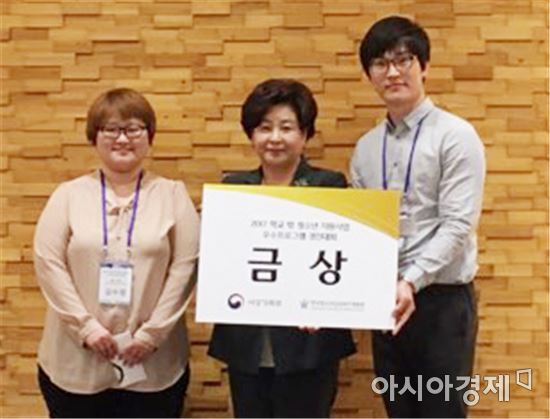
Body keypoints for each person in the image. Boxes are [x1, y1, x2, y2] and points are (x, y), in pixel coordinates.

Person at [33, 88, 200, 418]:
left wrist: (152, 335)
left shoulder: (173, 195)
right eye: (111, 129)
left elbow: (186, 270)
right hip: (76, 361)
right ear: (94, 137)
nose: (122, 138)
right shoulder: (67, 195)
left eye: (134, 128)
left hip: (154, 363)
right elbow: (49, 265)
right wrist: (87, 329)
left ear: (149, 136)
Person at [350, 16, 485, 418]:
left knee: (442, 411)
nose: (392, 72)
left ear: (424, 66)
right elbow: (361, 230)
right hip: (385, 300)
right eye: (380, 63)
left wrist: (411, 280)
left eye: (403, 60)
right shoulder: (365, 148)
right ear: (369, 75)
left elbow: (458, 224)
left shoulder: (455, 136)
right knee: (399, 409)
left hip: (441, 302)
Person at [208, 78, 356, 418]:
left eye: (286, 128)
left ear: (305, 134)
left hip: (309, 347)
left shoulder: (328, 186)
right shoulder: (234, 188)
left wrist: (327, 306)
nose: (274, 138)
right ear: (251, 135)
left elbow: (345, 263)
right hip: (247, 345)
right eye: (264, 128)